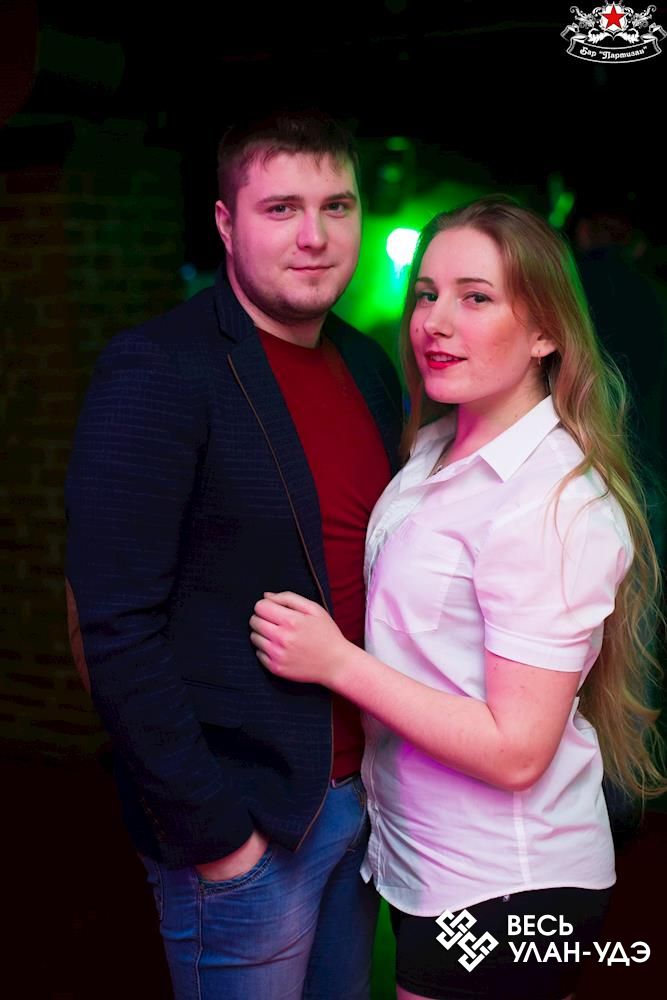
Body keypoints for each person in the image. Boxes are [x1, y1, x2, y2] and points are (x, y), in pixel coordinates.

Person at [250, 196, 666, 1000]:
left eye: (475, 297)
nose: (434, 322)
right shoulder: (437, 445)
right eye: (427, 294)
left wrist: (336, 663)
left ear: (544, 332)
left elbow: (516, 751)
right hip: (426, 865)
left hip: (505, 884)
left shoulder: (551, 503)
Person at [65, 109, 403, 1000]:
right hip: (248, 823)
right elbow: (112, 624)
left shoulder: (369, 367)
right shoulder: (159, 369)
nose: (314, 236)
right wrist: (216, 835)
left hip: (363, 802)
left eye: (336, 206)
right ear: (225, 222)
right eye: (281, 208)